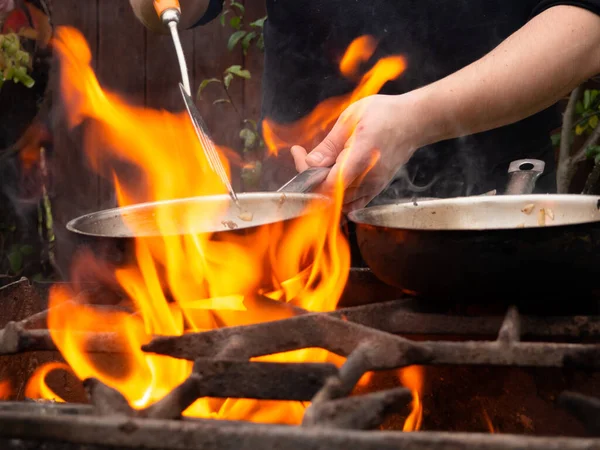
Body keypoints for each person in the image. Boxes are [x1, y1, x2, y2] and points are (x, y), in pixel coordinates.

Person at [131, 0, 600, 212]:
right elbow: (165, 11)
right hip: (304, 216)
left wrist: (415, 119)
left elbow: (586, 29)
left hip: (487, 218)